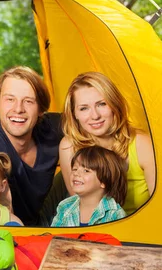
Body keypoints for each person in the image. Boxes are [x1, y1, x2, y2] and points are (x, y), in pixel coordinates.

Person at [0, 66, 62, 226]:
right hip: (4, 227)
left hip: (45, 221)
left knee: (74, 145)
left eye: (29, 101)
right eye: (10, 99)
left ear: (41, 110)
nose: (18, 109)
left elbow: (89, 118)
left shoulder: (52, 128)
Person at [60, 72, 156, 215]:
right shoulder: (69, 147)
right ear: (75, 114)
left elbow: (161, 207)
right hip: (95, 231)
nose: (95, 115)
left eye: (102, 104)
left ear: (114, 105)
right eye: (84, 108)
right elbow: (79, 208)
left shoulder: (142, 144)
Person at [52, 146, 126, 227]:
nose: (76, 173)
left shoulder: (115, 214)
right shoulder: (65, 206)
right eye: (75, 169)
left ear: (104, 181)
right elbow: (54, 236)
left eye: (86, 171)